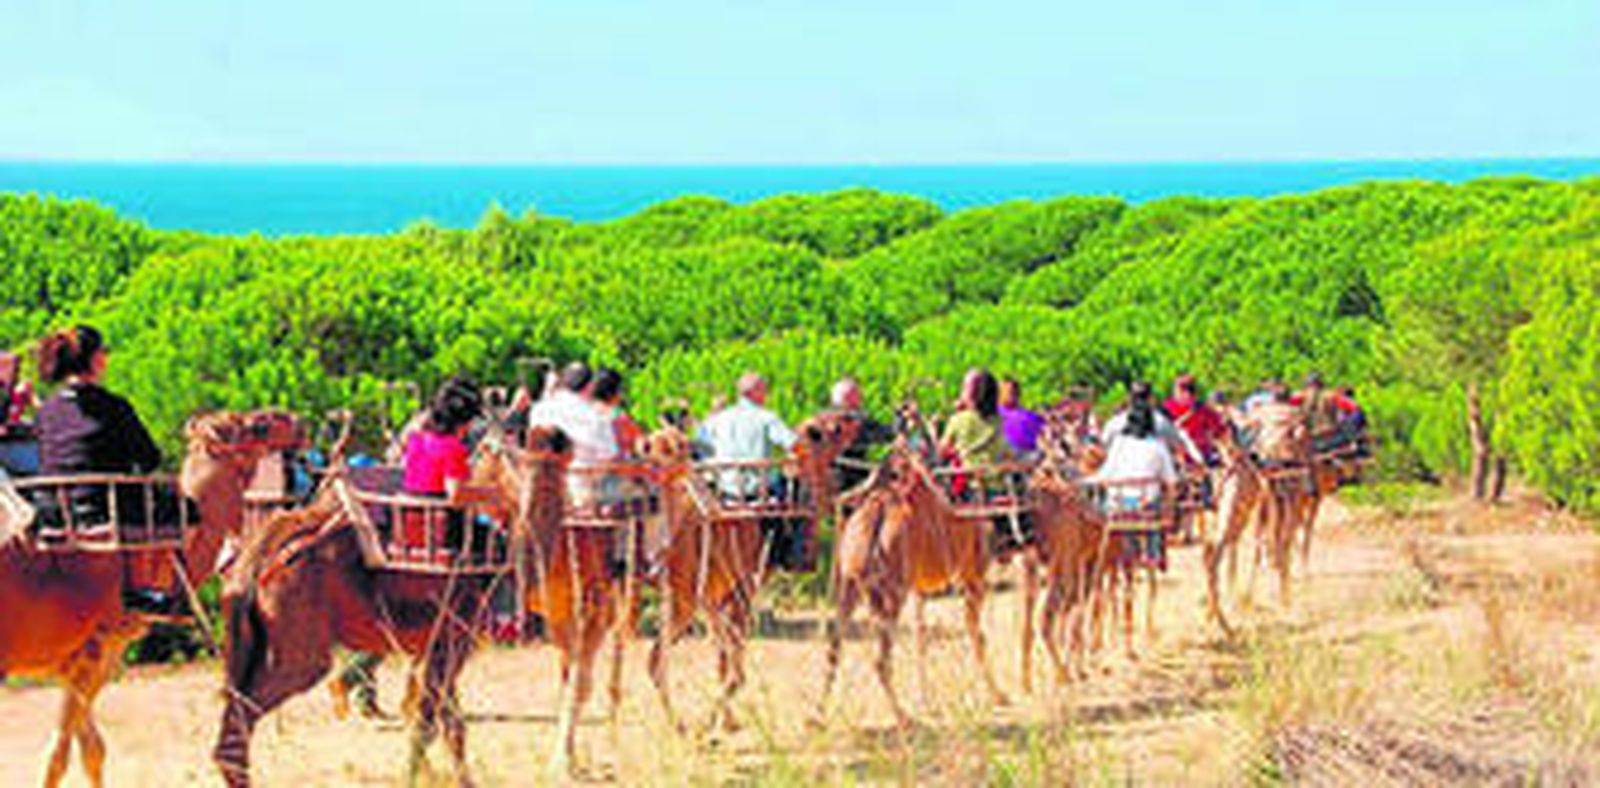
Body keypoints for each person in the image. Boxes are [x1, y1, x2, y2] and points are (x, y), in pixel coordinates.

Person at [34, 325, 173, 614]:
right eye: (104, 352)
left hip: (55, 511)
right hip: (100, 507)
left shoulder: (46, 411)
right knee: (180, 509)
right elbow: (149, 459)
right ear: (95, 359)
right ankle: (142, 587)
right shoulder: (113, 407)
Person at [1090, 396, 1179, 570]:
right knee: (1155, 504)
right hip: (1147, 503)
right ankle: (1154, 551)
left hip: (1119, 503)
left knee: (1110, 504)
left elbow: (1105, 474)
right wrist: (1171, 501)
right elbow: (1171, 480)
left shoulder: (1119, 444)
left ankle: (1129, 550)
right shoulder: (1159, 446)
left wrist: (1084, 481)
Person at [696, 372, 797, 500]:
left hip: (726, 490)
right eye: (764, 390)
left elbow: (701, 446)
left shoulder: (718, 419)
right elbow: (794, 444)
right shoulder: (766, 418)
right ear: (753, 393)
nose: (767, 395)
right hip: (761, 490)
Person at [1103, 381, 1203, 466]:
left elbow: (1104, 446)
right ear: (1151, 399)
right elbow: (1176, 444)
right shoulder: (1161, 421)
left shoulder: (1114, 423)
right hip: (1153, 479)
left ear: (1129, 398)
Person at [827, 377, 894, 490]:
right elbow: (865, 437)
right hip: (840, 479)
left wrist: (902, 423)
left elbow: (882, 432)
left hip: (857, 472)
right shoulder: (830, 423)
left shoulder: (859, 419)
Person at [940, 369, 1013, 472]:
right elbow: (1007, 454)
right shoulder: (999, 420)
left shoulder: (957, 420)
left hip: (967, 481)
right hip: (997, 482)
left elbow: (942, 451)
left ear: (971, 393)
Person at [1163, 374, 1228, 467]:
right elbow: (1220, 430)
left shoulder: (1200, 408)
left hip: (1199, 458)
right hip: (1186, 459)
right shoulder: (1169, 407)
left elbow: (1219, 430)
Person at [998, 378, 1047, 459]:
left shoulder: (1030, 415)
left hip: (1034, 454)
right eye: (1008, 392)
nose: (1013, 394)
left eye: (1015, 391)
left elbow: (1044, 431)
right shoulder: (994, 414)